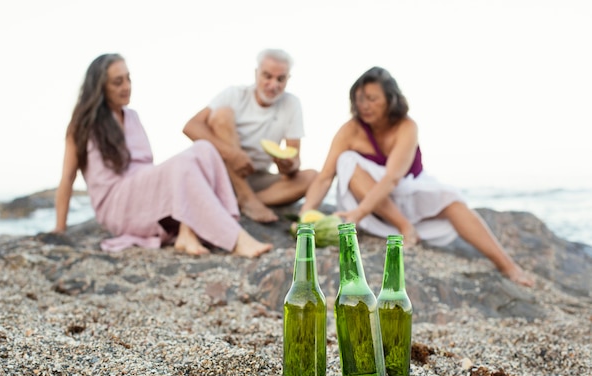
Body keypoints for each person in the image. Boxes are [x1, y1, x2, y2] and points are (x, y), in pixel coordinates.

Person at [299, 66, 534, 287]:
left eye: (372, 99)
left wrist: (358, 214)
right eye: (360, 99)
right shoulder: (350, 128)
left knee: (453, 203)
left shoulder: (407, 126)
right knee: (345, 161)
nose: (364, 106)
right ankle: (402, 226)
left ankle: (508, 267)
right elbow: (325, 176)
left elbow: (392, 178)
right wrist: (305, 216)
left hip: (405, 188)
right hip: (368, 196)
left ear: (390, 99)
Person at [54, 53, 272, 258]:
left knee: (204, 148)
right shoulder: (82, 126)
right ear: (100, 88)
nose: (126, 87)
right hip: (117, 203)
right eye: (117, 82)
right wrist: (60, 229)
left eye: (128, 79)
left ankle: (188, 233)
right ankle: (237, 239)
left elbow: (147, 167)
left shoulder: (132, 117)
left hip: (144, 194)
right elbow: (67, 178)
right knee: (181, 165)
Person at [183, 48, 317, 223]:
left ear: (288, 79)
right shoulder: (234, 94)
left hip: (258, 175)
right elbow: (191, 126)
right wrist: (232, 154)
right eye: (267, 76)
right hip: (223, 170)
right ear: (256, 74)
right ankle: (246, 198)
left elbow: (295, 159)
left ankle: (240, 201)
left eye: (280, 79)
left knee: (312, 177)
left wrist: (288, 165)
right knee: (222, 115)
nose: (273, 84)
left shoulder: (292, 104)